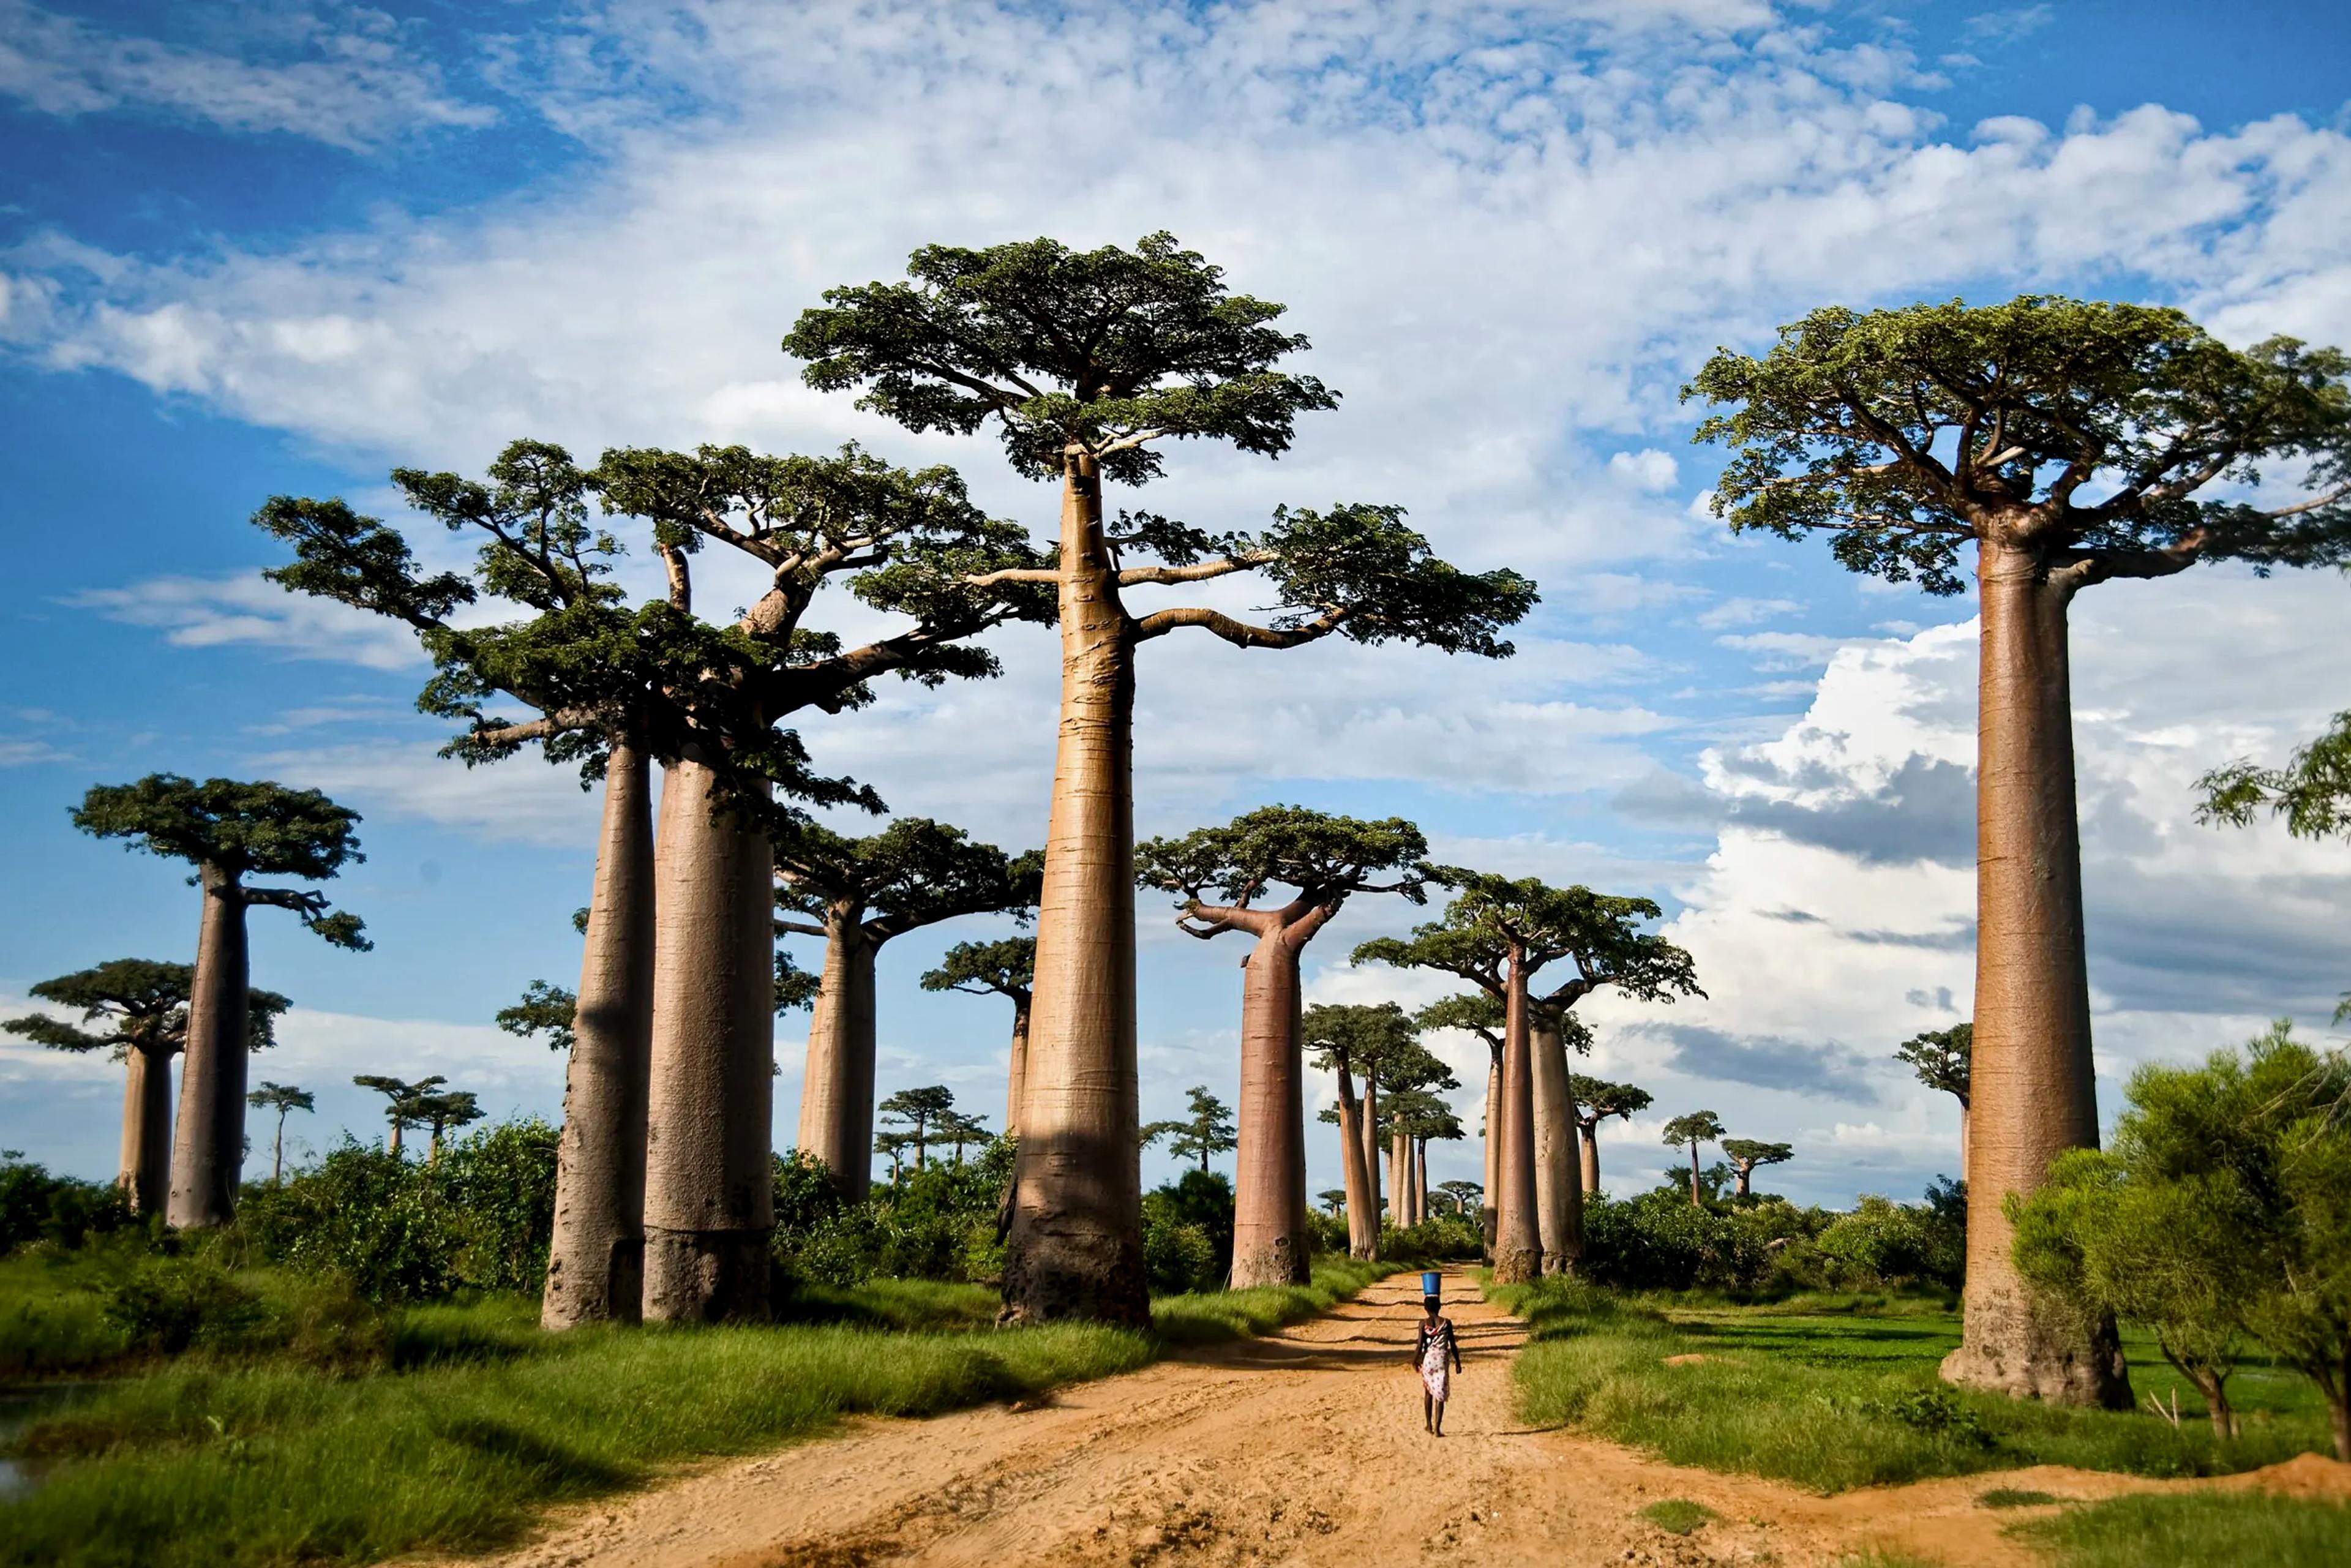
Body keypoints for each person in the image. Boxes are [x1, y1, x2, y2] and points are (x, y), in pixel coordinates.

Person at [1412, 1294, 1462, 1435]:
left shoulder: (1423, 1324)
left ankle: (1429, 1425)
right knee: (1440, 1394)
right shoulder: (1447, 1323)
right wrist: (1458, 1362)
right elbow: (1453, 1344)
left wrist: (1415, 1360)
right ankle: (1438, 1430)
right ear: (1440, 1307)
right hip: (1442, 1360)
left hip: (1429, 1360)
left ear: (1425, 1308)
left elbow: (1420, 1345)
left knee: (1428, 1392)